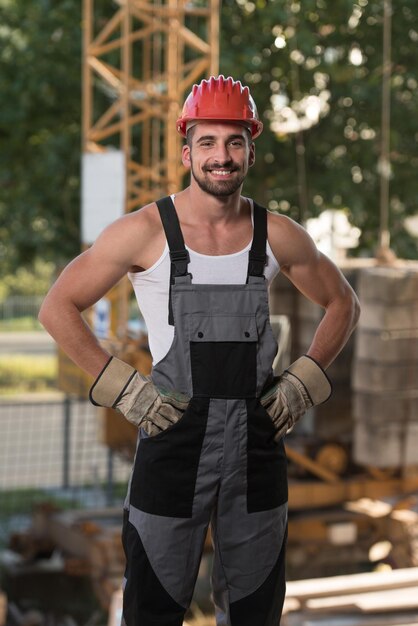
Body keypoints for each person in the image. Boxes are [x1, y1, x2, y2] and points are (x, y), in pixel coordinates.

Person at [39, 75, 360, 626]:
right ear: (186, 150)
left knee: (256, 609)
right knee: (153, 607)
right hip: (172, 439)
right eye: (208, 142)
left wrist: (305, 381)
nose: (221, 156)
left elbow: (343, 304)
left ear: (251, 150)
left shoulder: (277, 234)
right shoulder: (143, 231)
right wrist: (123, 390)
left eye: (234, 142)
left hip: (257, 444)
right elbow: (57, 307)